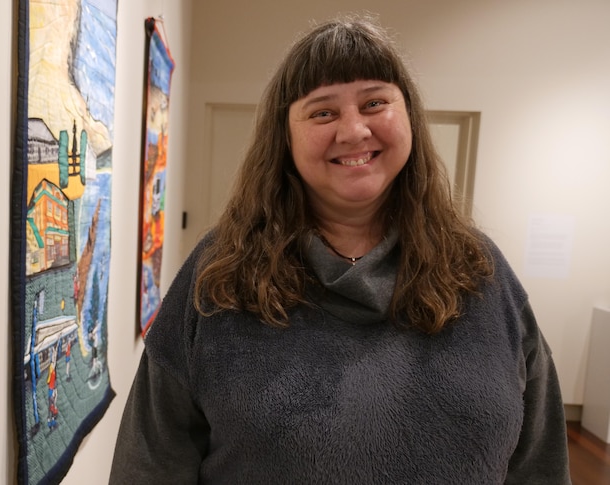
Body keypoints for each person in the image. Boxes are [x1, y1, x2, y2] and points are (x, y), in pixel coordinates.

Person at [109, 15, 571, 485]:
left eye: (374, 102)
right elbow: (150, 461)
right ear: (284, 137)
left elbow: (540, 463)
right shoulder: (218, 275)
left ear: (408, 115)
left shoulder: (482, 273)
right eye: (323, 112)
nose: (353, 131)